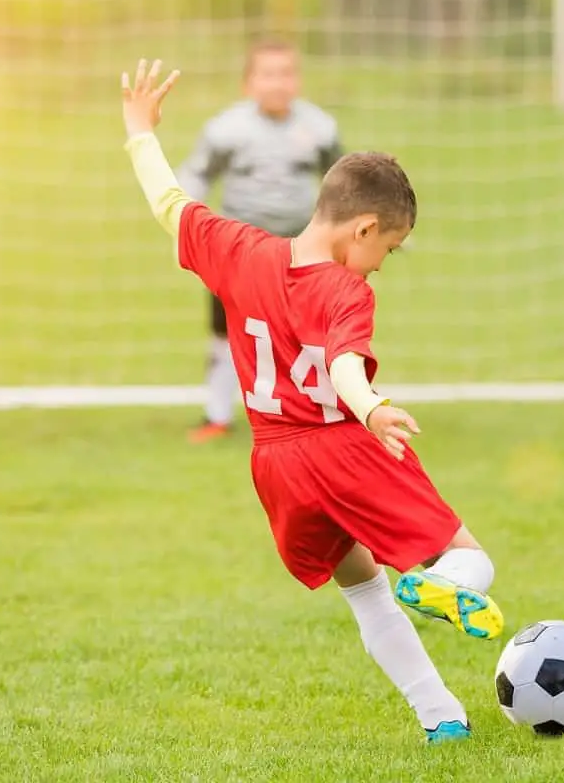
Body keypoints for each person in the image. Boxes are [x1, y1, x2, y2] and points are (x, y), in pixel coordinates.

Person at [120, 59, 504, 744]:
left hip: (277, 466)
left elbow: (169, 204)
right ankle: (447, 585)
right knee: (470, 558)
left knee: (363, 588)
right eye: (389, 245)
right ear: (361, 228)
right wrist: (372, 409)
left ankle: (440, 716)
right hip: (342, 447)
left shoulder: (239, 250)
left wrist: (139, 133)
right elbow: (344, 364)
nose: (384, 261)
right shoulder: (345, 290)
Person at [176, 38, 343, 444]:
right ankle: (216, 415)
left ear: (298, 80)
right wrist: (186, 215)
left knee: (311, 330)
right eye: (267, 74)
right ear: (247, 83)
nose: (278, 83)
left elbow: (341, 180)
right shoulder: (226, 129)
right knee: (227, 330)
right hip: (239, 248)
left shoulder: (319, 128)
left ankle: (319, 414)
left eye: (286, 73)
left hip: (300, 247)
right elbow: (196, 174)